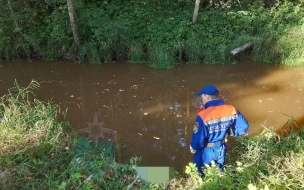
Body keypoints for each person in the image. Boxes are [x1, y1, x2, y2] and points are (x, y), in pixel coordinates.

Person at [190, 84, 249, 175]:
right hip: (221, 148)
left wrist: (193, 147)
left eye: (202, 97)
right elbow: (243, 126)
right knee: (218, 173)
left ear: (207, 96)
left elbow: (198, 139)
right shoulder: (231, 109)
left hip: (206, 151)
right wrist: (228, 132)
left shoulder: (203, 115)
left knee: (202, 173)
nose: (202, 100)